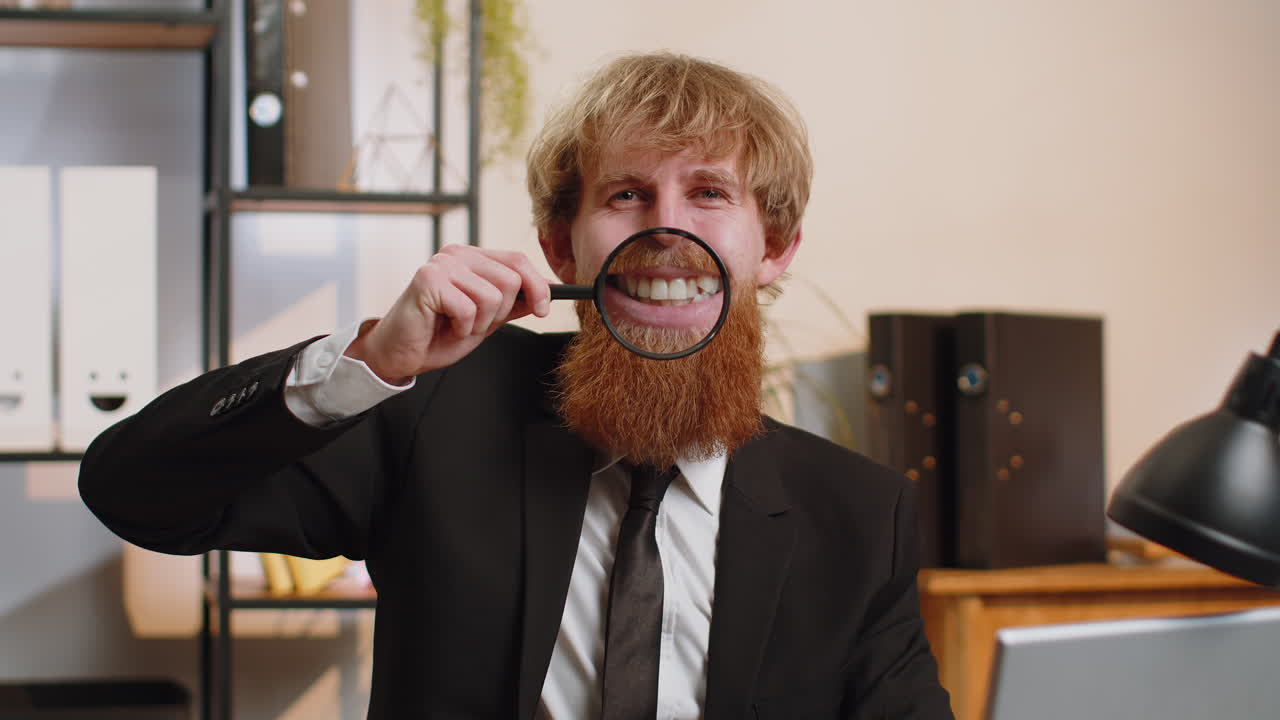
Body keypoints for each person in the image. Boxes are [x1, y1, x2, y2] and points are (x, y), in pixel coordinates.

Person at [79, 53, 953, 719]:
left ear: (776, 250)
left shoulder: (860, 517)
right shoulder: (433, 410)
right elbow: (136, 493)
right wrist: (374, 363)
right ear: (562, 247)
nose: (666, 230)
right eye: (626, 193)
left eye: (709, 192)